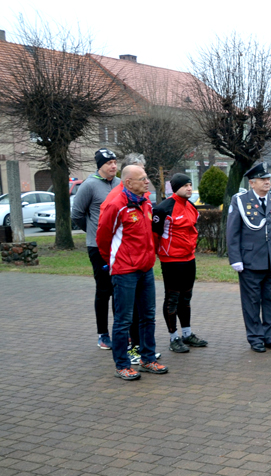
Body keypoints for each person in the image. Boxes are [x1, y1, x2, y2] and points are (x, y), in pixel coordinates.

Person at [95, 165, 168, 380]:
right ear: (128, 182)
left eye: (147, 178)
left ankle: (148, 359)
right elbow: (103, 238)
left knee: (148, 316)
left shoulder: (144, 201)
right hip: (125, 271)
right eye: (142, 179)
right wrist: (115, 261)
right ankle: (122, 365)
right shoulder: (115, 204)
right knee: (124, 320)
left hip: (146, 269)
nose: (147, 182)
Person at [226, 163, 271, 353]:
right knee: (252, 302)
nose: (267, 182)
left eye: (268, 179)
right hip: (250, 260)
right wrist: (235, 258)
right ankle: (255, 338)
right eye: (263, 179)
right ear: (252, 182)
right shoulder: (240, 200)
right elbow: (232, 232)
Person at [152, 173, 208, 353]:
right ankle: (173, 337)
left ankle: (187, 333)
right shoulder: (163, 209)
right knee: (172, 299)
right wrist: (159, 255)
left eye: (191, 185)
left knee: (186, 297)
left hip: (189, 259)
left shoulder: (191, 207)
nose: (190, 188)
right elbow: (154, 235)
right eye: (185, 186)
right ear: (176, 187)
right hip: (171, 261)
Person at [71, 148, 119, 351]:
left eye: (115, 162)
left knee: (119, 289)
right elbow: (77, 215)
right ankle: (103, 335)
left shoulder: (119, 184)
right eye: (109, 163)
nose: (114, 166)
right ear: (100, 165)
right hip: (97, 246)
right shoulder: (89, 185)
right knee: (104, 290)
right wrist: (94, 232)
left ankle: (120, 333)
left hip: (117, 246)